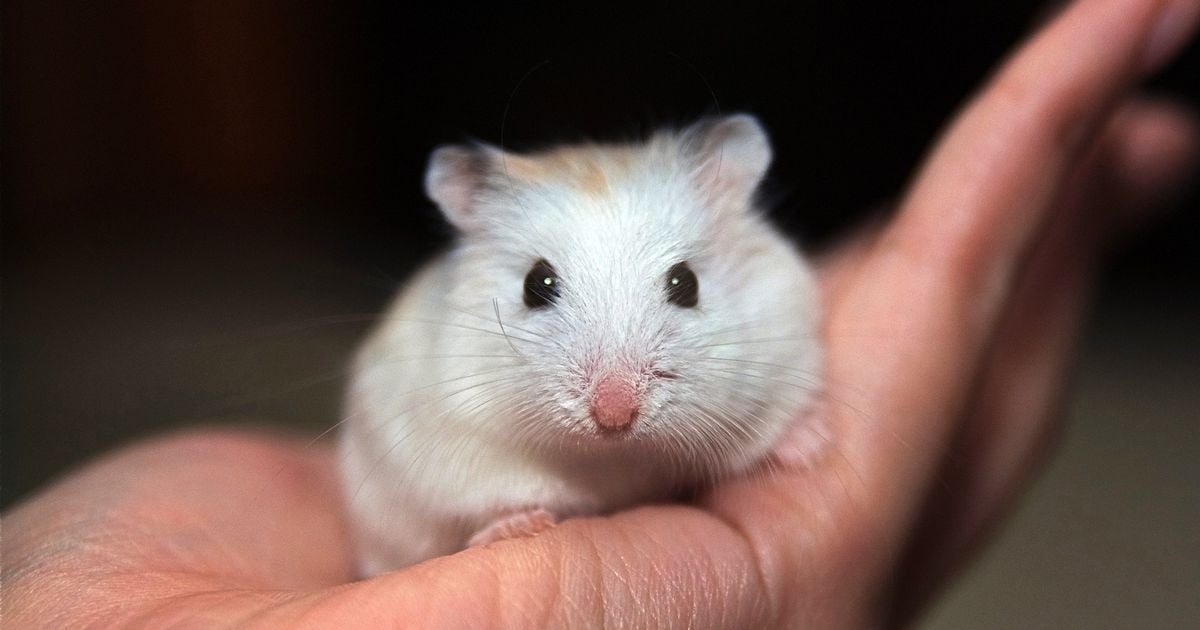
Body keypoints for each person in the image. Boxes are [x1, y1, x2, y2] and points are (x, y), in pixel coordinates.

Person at [4, 0, 1197, 626]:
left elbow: (781, 340)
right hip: (435, 517)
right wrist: (496, 509)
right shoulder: (437, 358)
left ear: (726, 220)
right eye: (541, 291)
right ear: (473, 230)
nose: (615, 395)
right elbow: (412, 442)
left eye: (678, 288)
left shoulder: (766, 280)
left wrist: (779, 425)